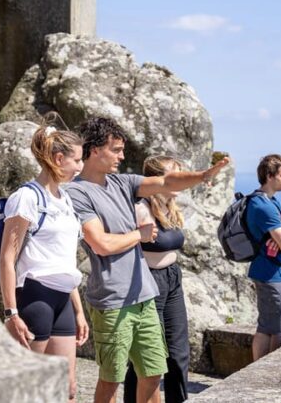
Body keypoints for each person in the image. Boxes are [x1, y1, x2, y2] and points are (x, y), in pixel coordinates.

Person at [66, 117, 230, 403]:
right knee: (111, 379)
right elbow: (101, 244)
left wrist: (203, 175)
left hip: (144, 295)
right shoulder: (76, 192)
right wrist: (139, 235)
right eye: (116, 150)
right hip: (112, 300)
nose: (122, 156)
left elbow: (166, 181)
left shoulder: (123, 183)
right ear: (94, 150)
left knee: (153, 373)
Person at [0, 124, 89, 401]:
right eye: (77, 160)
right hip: (34, 297)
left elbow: (64, 260)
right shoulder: (27, 197)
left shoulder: (65, 199)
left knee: (67, 389)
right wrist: (11, 313)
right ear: (59, 159)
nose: (81, 166)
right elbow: (7, 257)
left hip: (63, 298)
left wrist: (79, 311)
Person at [123, 155, 191, 403]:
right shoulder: (139, 208)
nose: (180, 180)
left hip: (172, 279)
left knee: (179, 353)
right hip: (148, 281)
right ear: (157, 180)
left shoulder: (171, 207)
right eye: (175, 175)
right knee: (147, 355)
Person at [247, 154, 281, 361]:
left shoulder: (271, 201)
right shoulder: (263, 207)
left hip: (277, 271)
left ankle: (268, 368)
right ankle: (262, 371)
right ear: (270, 176)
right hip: (269, 274)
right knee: (271, 328)